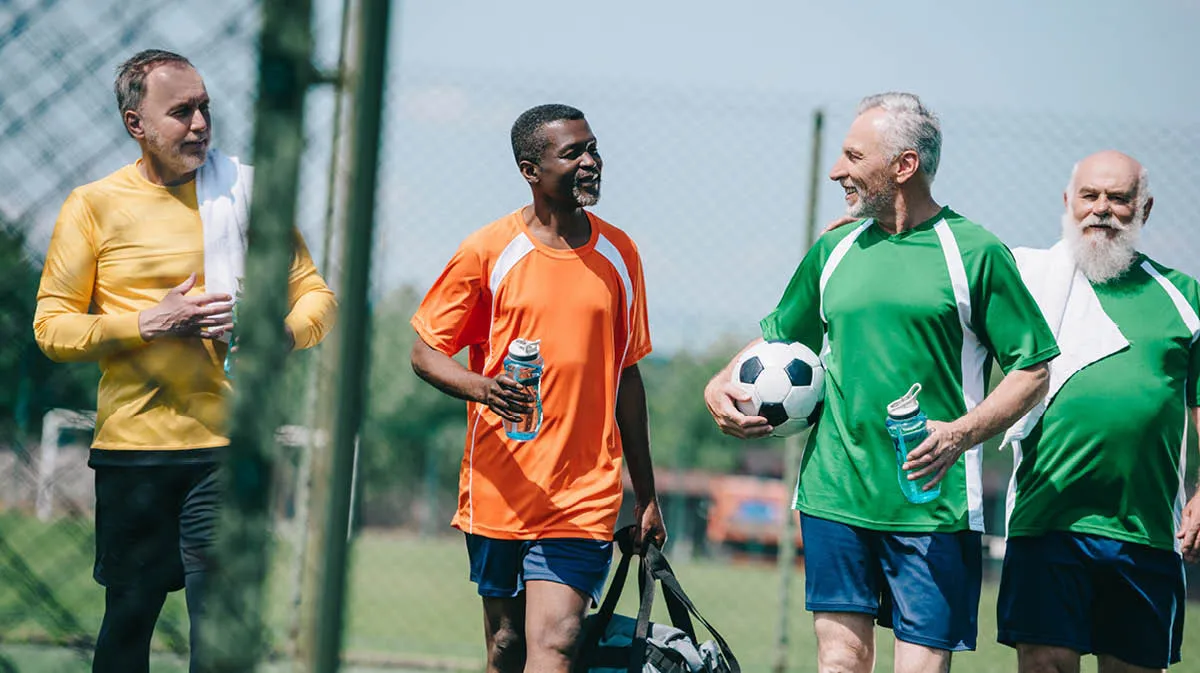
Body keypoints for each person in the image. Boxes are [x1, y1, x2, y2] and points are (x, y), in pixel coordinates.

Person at [704, 92, 1059, 673]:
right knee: (839, 659)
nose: (836, 170)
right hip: (834, 494)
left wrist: (959, 435)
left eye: (852, 156)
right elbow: (778, 339)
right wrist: (719, 380)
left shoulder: (975, 253)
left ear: (904, 166)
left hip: (932, 506)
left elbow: (1033, 369)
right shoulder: (834, 247)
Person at [33, 49, 337, 673]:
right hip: (134, 452)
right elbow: (52, 327)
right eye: (180, 112)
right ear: (135, 123)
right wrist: (149, 322)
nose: (200, 124)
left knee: (218, 632)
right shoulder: (92, 205)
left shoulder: (247, 193)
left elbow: (318, 297)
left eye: (205, 108)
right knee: (128, 625)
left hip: (228, 448)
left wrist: (280, 334)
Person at [409, 103, 666, 673]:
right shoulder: (487, 250)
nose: (591, 162)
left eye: (593, 148)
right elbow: (425, 353)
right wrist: (483, 388)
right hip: (501, 483)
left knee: (559, 640)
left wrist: (645, 493)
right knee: (506, 644)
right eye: (572, 153)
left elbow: (627, 375)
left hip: (583, 492)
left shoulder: (620, 254)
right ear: (531, 169)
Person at [996, 150, 1200, 672]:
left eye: (1118, 198)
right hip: (1046, 521)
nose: (1101, 209)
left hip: (1147, 531)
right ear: (1068, 202)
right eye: (1090, 196)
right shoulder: (1026, 277)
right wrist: (876, 231)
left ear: (1144, 208)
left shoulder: (1184, 297)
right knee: (1045, 663)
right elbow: (947, 286)